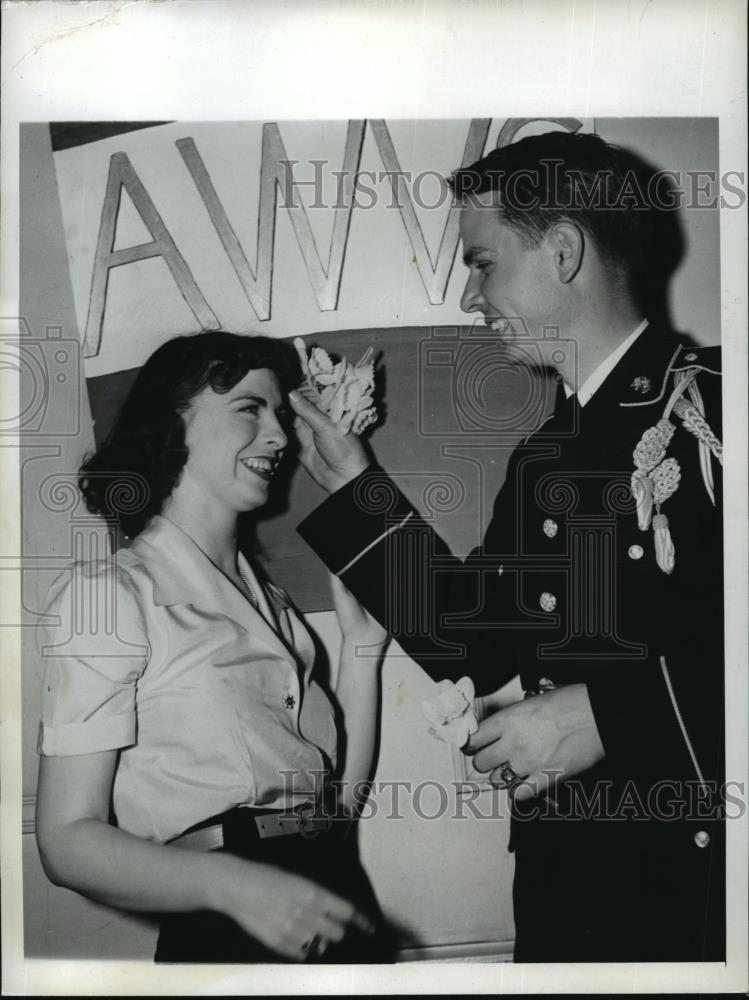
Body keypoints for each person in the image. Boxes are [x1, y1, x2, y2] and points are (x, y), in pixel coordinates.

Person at [288, 131, 725, 962]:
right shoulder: (546, 456)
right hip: (572, 889)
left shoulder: (717, 412)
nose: (469, 296)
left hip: (698, 902)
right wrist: (353, 485)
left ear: (562, 252)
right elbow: (476, 645)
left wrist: (612, 715)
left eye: (483, 263)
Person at [35, 331, 393, 964]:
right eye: (249, 409)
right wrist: (233, 886)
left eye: (280, 414)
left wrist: (363, 649)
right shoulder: (111, 596)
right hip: (227, 928)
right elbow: (65, 841)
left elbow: (332, 814)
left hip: (333, 900)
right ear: (174, 421)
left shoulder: (276, 609)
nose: (280, 436)